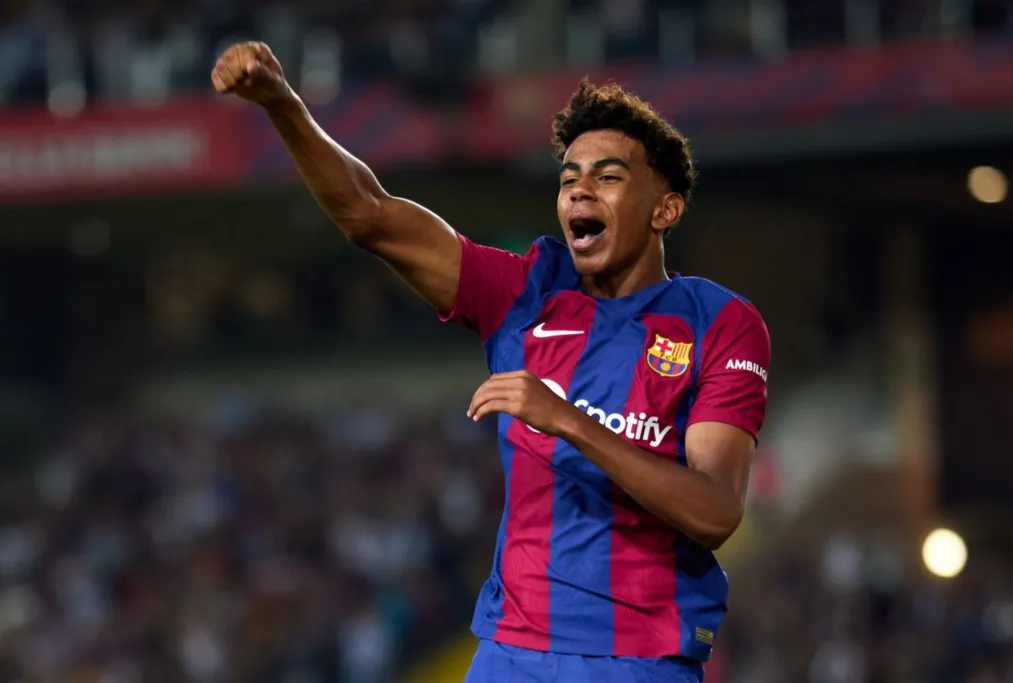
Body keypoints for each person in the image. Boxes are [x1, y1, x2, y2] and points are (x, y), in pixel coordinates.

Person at [212, 42, 770, 683]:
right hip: (511, 653)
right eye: (569, 179)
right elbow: (371, 215)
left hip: (639, 659)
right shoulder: (526, 293)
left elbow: (714, 512)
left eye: (608, 177)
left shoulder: (719, 323)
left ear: (664, 209)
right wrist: (282, 103)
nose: (579, 191)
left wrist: (567, 420)